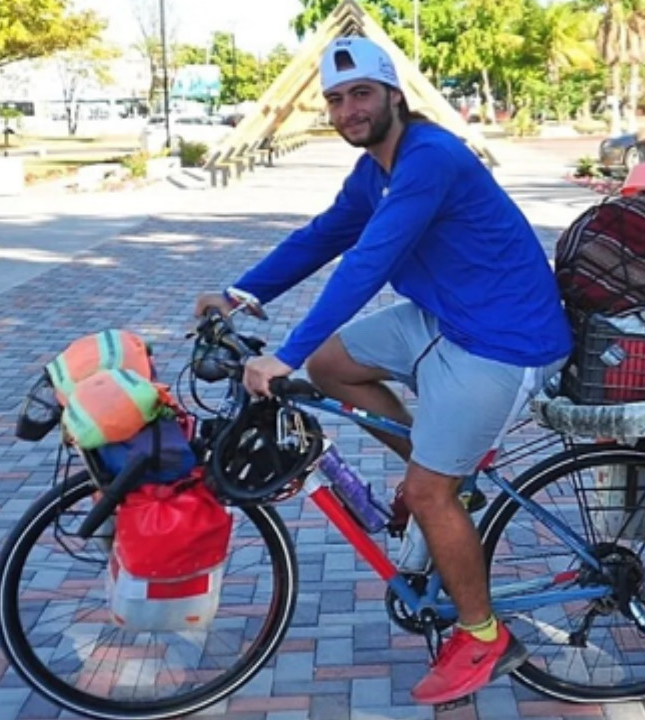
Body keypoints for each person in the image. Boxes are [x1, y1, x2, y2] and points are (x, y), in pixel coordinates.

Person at [194, 36, 572, 704]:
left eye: (361, 94)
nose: (348, 110)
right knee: (331, 362)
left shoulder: (431, 158)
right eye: (336, 100)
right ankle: (444, 467)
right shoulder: (375, 170)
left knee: (429, 495)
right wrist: (239, 295)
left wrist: (277, 356)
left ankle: (484, 635)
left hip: (505, 343)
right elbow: (324, 235)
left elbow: (367, 263)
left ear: (394, 95)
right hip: (446, 318)